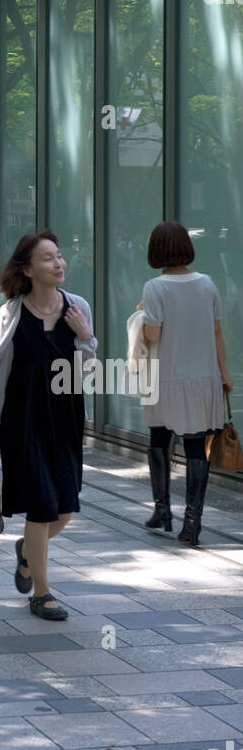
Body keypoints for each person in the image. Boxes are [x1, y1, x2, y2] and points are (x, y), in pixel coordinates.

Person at [0, 230, 97, 622]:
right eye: (48, 258)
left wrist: (86, 339)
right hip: (22, 421)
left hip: (65, 421)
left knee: (64, 507)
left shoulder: (77, 308)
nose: (58, 263)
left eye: (59, 256)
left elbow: (87, 377)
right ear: (27, 270)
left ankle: (27, 553)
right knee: (42, 507)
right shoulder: (10, 314)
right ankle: (42, 594)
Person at [139, 220, 230, 547]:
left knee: (158, 439)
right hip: (202, 377)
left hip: (166, 378)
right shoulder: (207, 284)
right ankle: (192, 523)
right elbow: (217, 332)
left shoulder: (155, 287)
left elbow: (153, 335)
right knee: (196, 448)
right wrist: (225, 373)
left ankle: (162, 510)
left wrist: (141, 314)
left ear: (156, 251)